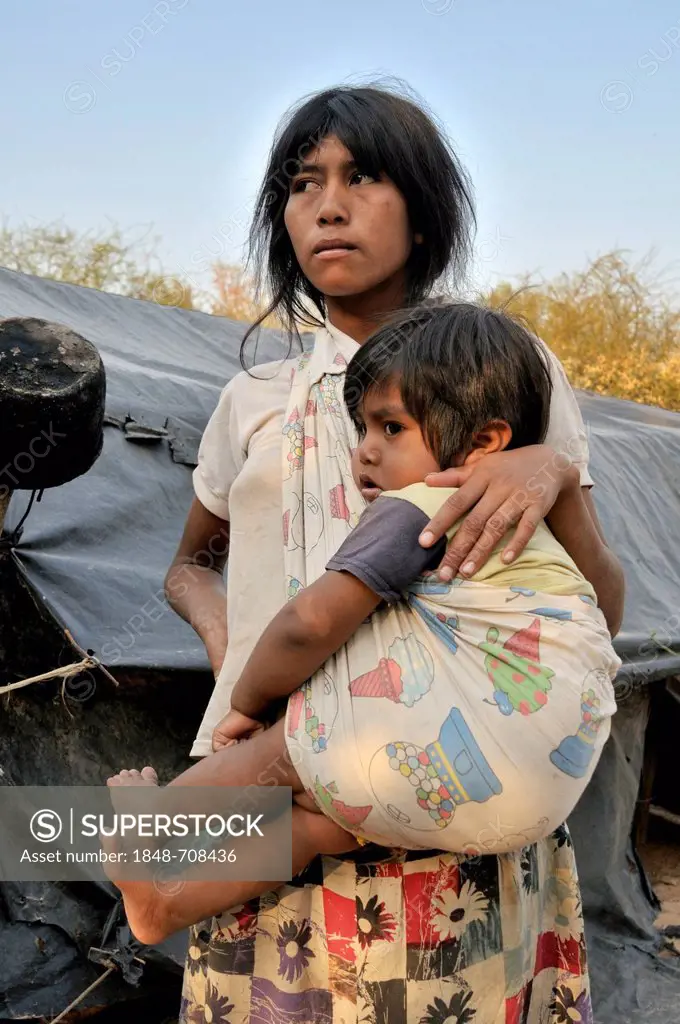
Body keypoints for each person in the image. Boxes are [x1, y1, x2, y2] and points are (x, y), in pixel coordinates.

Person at [117, 85, 625, 1022]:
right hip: (278, 766)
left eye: (365, 176)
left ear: (424, 216)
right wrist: (232, 646)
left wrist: (550, 468)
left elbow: (598, 609)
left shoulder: (506, 370)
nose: (329, 204)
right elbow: (189, 564)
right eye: (302, 183)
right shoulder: (253, 403)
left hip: (455, 785)